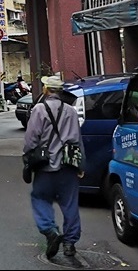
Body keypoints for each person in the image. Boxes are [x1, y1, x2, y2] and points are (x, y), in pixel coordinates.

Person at [24, 74, 84, 259]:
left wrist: (27, 158)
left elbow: (31, 139)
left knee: (40, 198)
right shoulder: (71, 111)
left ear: (46, 90)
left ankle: (50, 230)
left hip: (45, 167)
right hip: (68, 165)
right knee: (70, 203)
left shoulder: (39, 109)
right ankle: (69, 244)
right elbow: (77, 140)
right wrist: (81, 164)